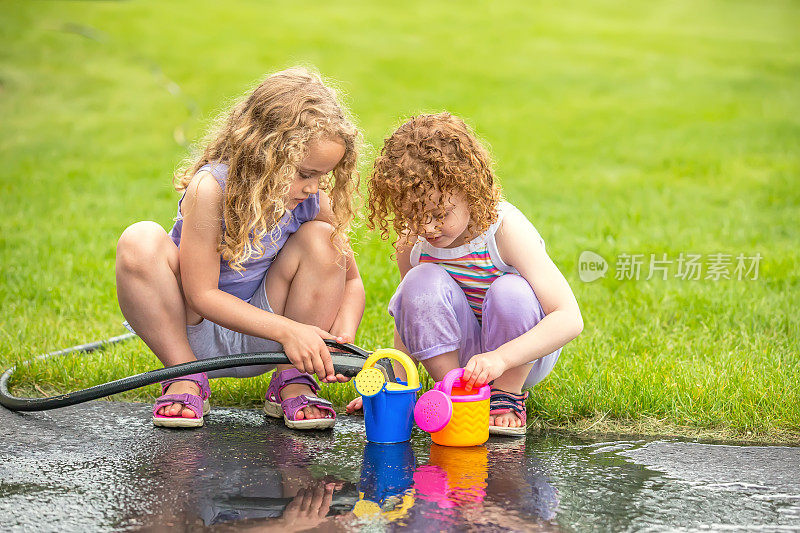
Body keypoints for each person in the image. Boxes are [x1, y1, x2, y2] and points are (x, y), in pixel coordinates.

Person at [115, 67, 364, 430]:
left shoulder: (310, 200)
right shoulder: (212, 188)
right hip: (193, 330)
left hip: (273, 342)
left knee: (326, 241)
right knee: (139, 240)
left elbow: (353, 282)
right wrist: (288, 331)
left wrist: (341, 339)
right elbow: (201, 294)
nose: (313, 188)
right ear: (265, 153)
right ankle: (185, 377)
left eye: (321, 177)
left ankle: (292, 381)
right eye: (304, 173)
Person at [346, 113, 582, 436]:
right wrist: (397, 385)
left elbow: (569, 317)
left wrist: (501, 359)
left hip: (518, 354)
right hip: (464, 355)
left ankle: (506, 396)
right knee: (417, 283)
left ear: (469, 189)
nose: (427, 228)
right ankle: (456, 394)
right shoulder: (413, 242)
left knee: (510, 292)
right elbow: (411, 317)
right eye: (414, 216)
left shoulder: (503, 230)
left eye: (439, 214)